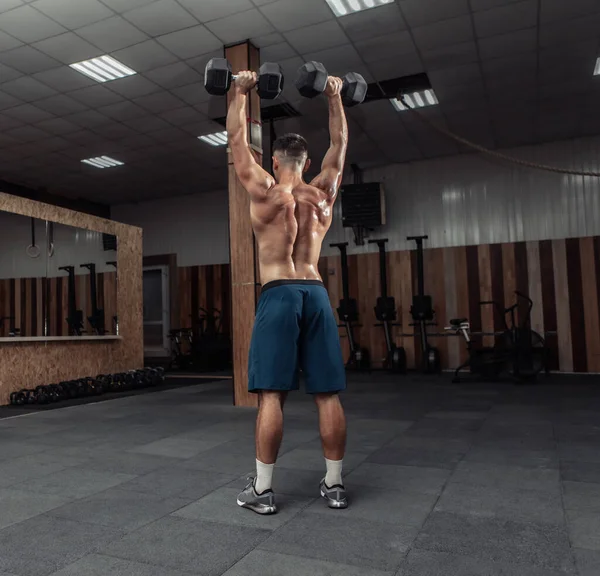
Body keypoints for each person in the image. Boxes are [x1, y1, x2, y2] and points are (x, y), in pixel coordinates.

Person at [226, 70, 349, 515]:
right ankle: (334, 486)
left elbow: (237, 139)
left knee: (272, 395)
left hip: (278, 293)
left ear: (275, 161)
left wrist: (239, 91)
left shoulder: (264, 190)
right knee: (328, 394)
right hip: (315, 292)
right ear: (308, 163)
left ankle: (262, 491)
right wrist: (334, 96)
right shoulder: (324, 193)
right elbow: (340, 144)